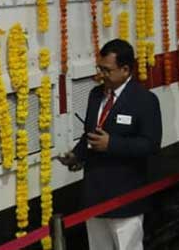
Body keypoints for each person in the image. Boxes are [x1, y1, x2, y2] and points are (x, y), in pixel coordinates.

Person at [58, 39, 162, 250]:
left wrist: (112, 144)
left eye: (107, 70)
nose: (102, 75)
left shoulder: (144, 100)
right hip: (95, 194)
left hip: (125, 196)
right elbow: (90, 134)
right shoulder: (95, 95)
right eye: (100, 68)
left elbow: (150, 145)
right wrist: (76, 155)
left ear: (125, 70)